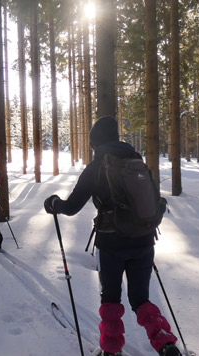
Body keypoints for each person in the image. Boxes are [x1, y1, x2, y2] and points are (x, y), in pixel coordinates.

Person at [43, 116, 180, 356]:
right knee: (140, 299)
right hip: (144, 240)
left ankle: (111, 349)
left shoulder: (96, 167)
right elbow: (154, 199)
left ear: (96, 143)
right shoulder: (136, 161)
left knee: (111, 300)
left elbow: (73, 206)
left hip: (111, 243)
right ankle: (166, 344)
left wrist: (54, 203)